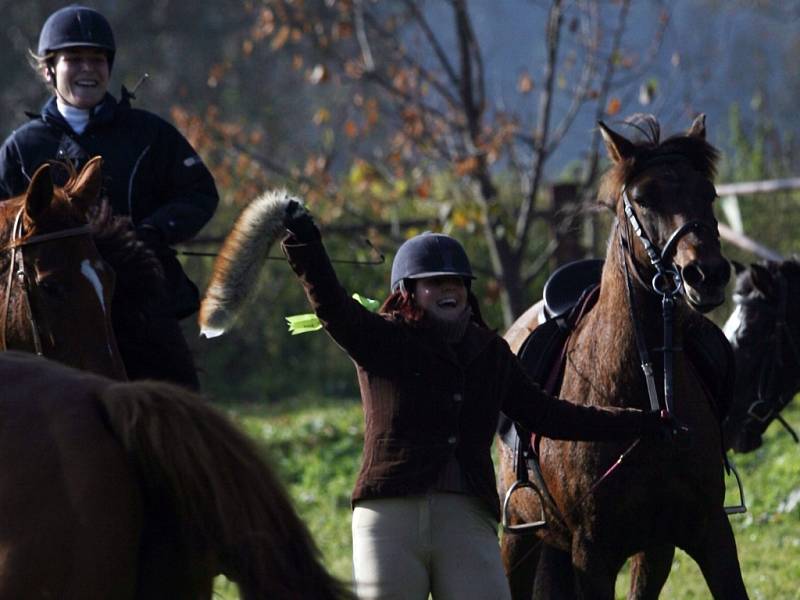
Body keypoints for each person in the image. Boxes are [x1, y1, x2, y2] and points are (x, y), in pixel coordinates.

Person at [280, 201, 682, 600]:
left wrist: (641, 422)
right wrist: (305, 243)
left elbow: (549, 414)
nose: (449, 289)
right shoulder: (380, 339)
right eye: (435, 282)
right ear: (407, 292)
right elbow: (332, 305)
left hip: (466, 515)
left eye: (456, 281)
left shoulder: (489, 352)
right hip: (390, 515)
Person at [0, 5, 219, 389]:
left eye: (97, 59)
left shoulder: (149, 133)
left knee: (180, 407)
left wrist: (154, 229)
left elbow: (200, 193)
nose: (88, 69)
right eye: (75, 59)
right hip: (56, 316)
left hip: (144, 307)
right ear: (49, 68)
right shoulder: (21, 147)